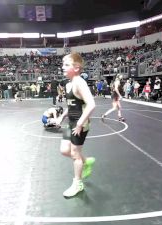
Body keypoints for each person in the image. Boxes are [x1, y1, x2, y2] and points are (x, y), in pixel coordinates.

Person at [55, 53, 96, 198]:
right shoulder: (68, 84)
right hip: (71, 121)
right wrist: (62, 116)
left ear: (77, 68)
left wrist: (79, 124)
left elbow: (91, 104)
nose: (62, 67)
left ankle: (78, 184)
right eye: (63, 64)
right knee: (64, 150)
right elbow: (72, 105)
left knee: (74, 154)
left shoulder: (80, 82)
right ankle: (86, 162)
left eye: (66, 65)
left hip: (80, 123)